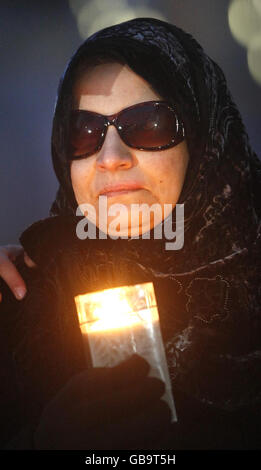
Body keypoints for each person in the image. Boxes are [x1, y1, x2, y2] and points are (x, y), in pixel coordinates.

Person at [0, 17, 261, 450]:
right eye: (83, 133)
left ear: (203, 139)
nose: (111, 157)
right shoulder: (21, 306)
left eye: (147, 124)